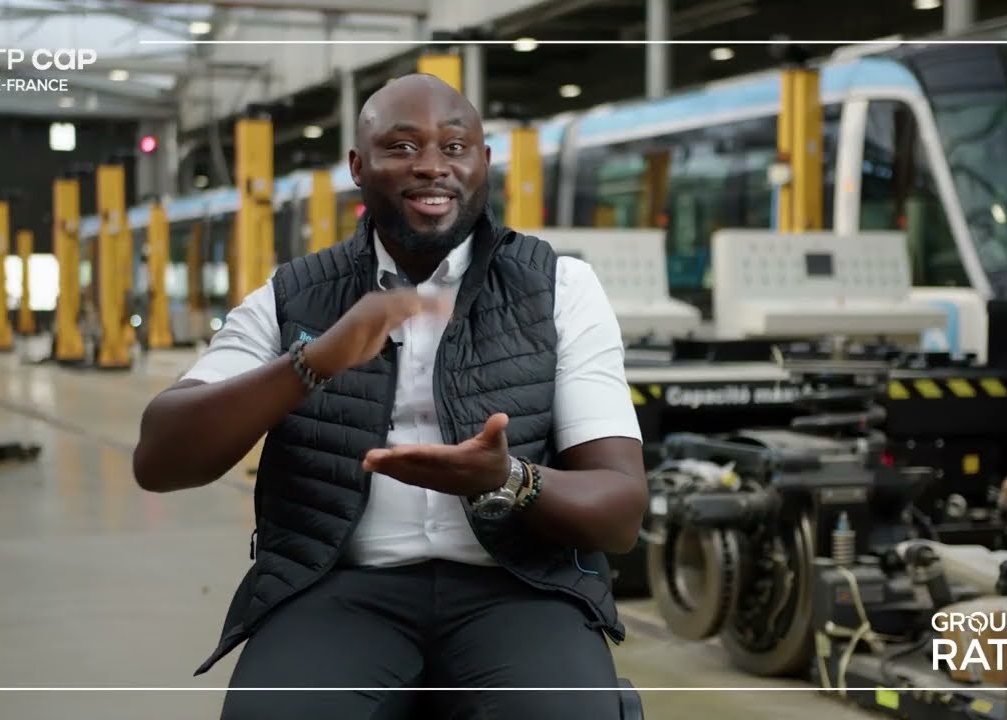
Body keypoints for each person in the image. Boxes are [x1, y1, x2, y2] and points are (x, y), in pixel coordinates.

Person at [132, 73, 647, 719]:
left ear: (484, 162)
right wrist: (312, 363)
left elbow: (619, 512)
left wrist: (508, 479)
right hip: (337, 586)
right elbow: (160, 460)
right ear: (358, 166)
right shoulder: (293, 296)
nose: (431, 165)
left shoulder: (560, 289)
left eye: (454, 147)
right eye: (402, 146)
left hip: (519, 585)